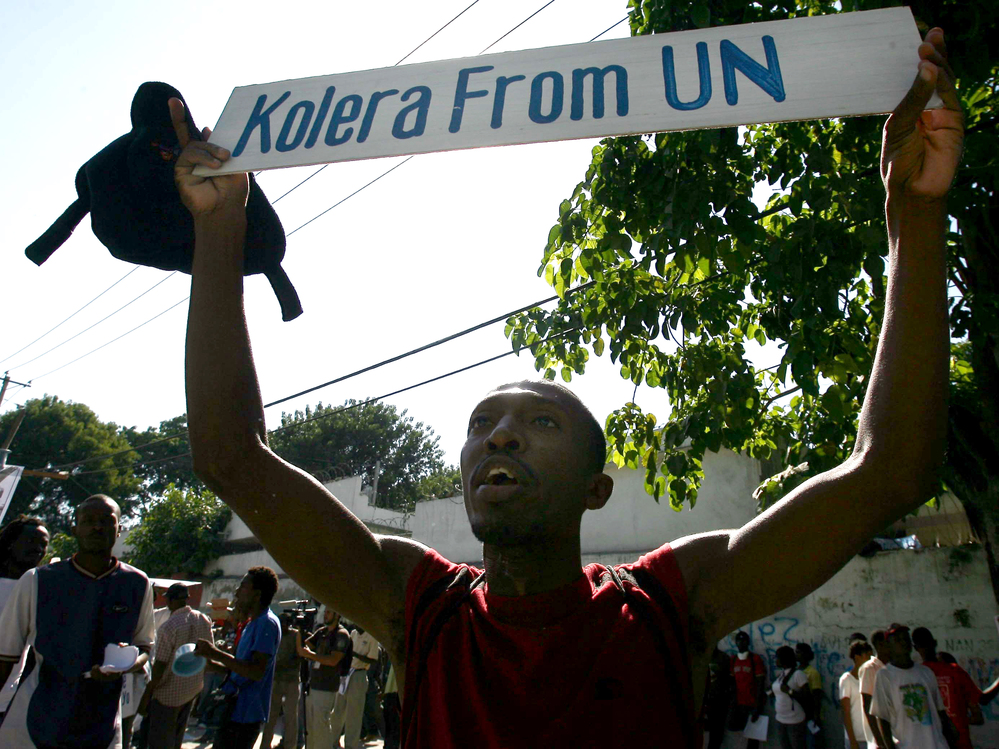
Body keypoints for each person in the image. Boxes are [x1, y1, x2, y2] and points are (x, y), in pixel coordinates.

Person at [172, 27, 962, 747]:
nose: (500, 436)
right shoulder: (416, 603)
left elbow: (890, 469)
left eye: (538, 423)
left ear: (596, 487)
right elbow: (229, 456)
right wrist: (219, 231)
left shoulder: (666, 603)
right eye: (483, 423)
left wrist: (913, 214)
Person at [0, 495, 155, 748]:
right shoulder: (38, 580)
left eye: (106, 521)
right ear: (75, 529)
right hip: (34, 724)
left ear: (119, 529)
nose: (97, 527)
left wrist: (127, 665)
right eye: (89, 521)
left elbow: (145, 646)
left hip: (102, 726)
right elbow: (5, 657)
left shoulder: (138, 584)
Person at [194, 566, 281, 749]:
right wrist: (211, 663)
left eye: (242, 587)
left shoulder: (267, 624)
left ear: (257, 595)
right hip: (233, 711)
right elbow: (238, 668)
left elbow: (256, 672)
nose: (236, 592)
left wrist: (216, 653)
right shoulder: (252, 623)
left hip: (245, 716)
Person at [137, 583, 214, 749]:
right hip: (191, 688)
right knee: (176, 738)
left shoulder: (169, 626)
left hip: (167, 695)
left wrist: (147, 696)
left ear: (170, 601)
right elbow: (209, 654)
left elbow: (160, 666)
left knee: (160, 741)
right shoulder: (203, 619)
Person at [870, 624, 957, 749]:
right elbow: (883, 719)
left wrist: (950, 735)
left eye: (906, 638)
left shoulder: (926, 672)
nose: (904, 642)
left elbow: (940, 711)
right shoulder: (885, 676)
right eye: (898, 640)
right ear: (889, 646)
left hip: (936, 744)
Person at [911, 626, 999, 749]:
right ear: (934, 643)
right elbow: (983, 699)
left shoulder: (915, 675)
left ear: (915, 648)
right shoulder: (954, 671)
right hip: (959, 742)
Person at [0, 515, 49, 718]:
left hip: (8, 701)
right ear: (11, 544)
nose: (38, 549)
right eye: (30, 541)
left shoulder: (41, 590)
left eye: (43, 544)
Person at [296, 607, 352, 749]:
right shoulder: (322, 632)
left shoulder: (341, 635)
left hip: (327, 686)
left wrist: (310, 655)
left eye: (329, 612)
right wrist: (299, 630)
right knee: (311, 729)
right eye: (325, 612)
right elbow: (304, 647)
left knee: (322, 727)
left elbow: (333, 660)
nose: (325, 615)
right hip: (313, 684)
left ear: (337, 614)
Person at [330, 625, 381, 749]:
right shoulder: (352, 633)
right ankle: (332, 742)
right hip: (346, 674)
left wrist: (356, 655)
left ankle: (350, 745)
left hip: (359, 674)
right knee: (338, 710)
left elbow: (373, 659)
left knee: (354, 714)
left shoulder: (371, 637)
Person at [261, 611, 304, 749]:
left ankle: (290, 745)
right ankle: (265, 744)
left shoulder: (295, 635)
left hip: (291, 680)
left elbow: (299, 657)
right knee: (270, 716)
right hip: (276, 679)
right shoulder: (275, 634)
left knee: (291, 717)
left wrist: (282, 663)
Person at [774, 645, 811, 749]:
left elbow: (807, 696)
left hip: (794, 720)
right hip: (780, 719)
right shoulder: (781, 674)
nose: (775, 660)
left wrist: (790, 691)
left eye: (777, 657)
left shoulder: (798, 674)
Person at [840, 639, 874, 749]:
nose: (870, 659)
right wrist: (852, 741)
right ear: (857, 657)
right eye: (867, 655)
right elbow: (846, 712)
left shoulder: (872, 677)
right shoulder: (847, 680)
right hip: (856, 738)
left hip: (872, 737)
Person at [860, 629, 890, 749]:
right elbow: (868, 706)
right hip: (880, 740)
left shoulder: (892, 667)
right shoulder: (870, 669)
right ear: (879, 645)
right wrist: (880, 741)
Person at [703, 646, 733, 749]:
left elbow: (729, 680)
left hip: (719, 700)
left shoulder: (723, 658)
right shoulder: (701, 656)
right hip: (705, 701)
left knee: (716, 732)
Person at [796, 642, 824, 741]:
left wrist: (816, 715)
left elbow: (816, 695)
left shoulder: (812, 672)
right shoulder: (795, 671)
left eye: (799, 652)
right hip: (798, 714)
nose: (796, 655)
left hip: (810, 714)